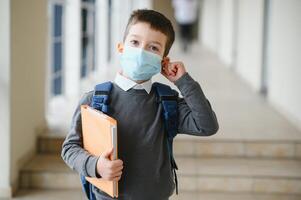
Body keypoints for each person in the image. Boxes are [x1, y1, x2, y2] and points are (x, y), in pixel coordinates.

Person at [61, 9, 218, 200]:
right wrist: (95, 165)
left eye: (153, 48)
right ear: (121, 48)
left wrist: (183, 81)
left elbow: (207, 125)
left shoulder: (166, 101)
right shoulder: (94, 100)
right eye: (135, 42)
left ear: (162, 61)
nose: (141, 51)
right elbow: (70, 148)